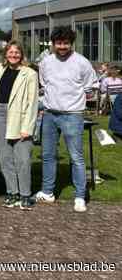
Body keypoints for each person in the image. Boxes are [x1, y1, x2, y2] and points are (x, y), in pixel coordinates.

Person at [36, 26, 98, 213]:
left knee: (76, 157)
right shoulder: (46, 62)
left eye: (65, 43)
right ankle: (48, 192)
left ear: (71, 43)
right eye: (58, 43)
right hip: (49, 114)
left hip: (72, 115)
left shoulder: (82, 62)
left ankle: (80, 196)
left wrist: (74, 101)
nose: (62, 46)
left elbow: (91, 87)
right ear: (53, 43)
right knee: (48, 156)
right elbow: (44, 84)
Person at [0, 41, 38, 210]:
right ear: (6, 54)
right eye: (10, 52)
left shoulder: (30, 74)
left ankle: (25, 194)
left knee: (23, 159)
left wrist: (28, 127)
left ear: (21, 55)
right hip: (0, 115)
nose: (13, 55)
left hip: (20, 118)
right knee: (5, 158)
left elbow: (33, 103)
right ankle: (12, 192)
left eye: (16, 53)